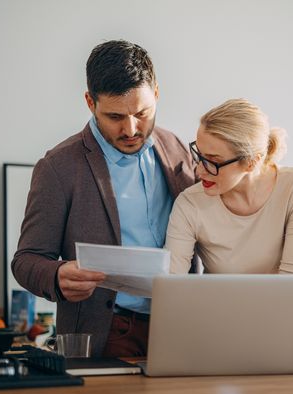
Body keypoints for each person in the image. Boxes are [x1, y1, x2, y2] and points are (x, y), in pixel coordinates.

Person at [12, 40, 195, 357]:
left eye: (142, 112)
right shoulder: (58, 167)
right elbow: (26, 260)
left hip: (183, 324)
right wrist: (57, 275)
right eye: (115, 116)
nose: (131, 129)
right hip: (107, 332)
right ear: (89, 102)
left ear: (157, 93)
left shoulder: (176, 147)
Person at [165, 98, 293, 275]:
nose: (199, 171)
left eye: (213, 161)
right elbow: (173, 284)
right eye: (199, 155)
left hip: (278, 303)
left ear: (252, 162)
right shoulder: (189, 204)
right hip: (212, 303)